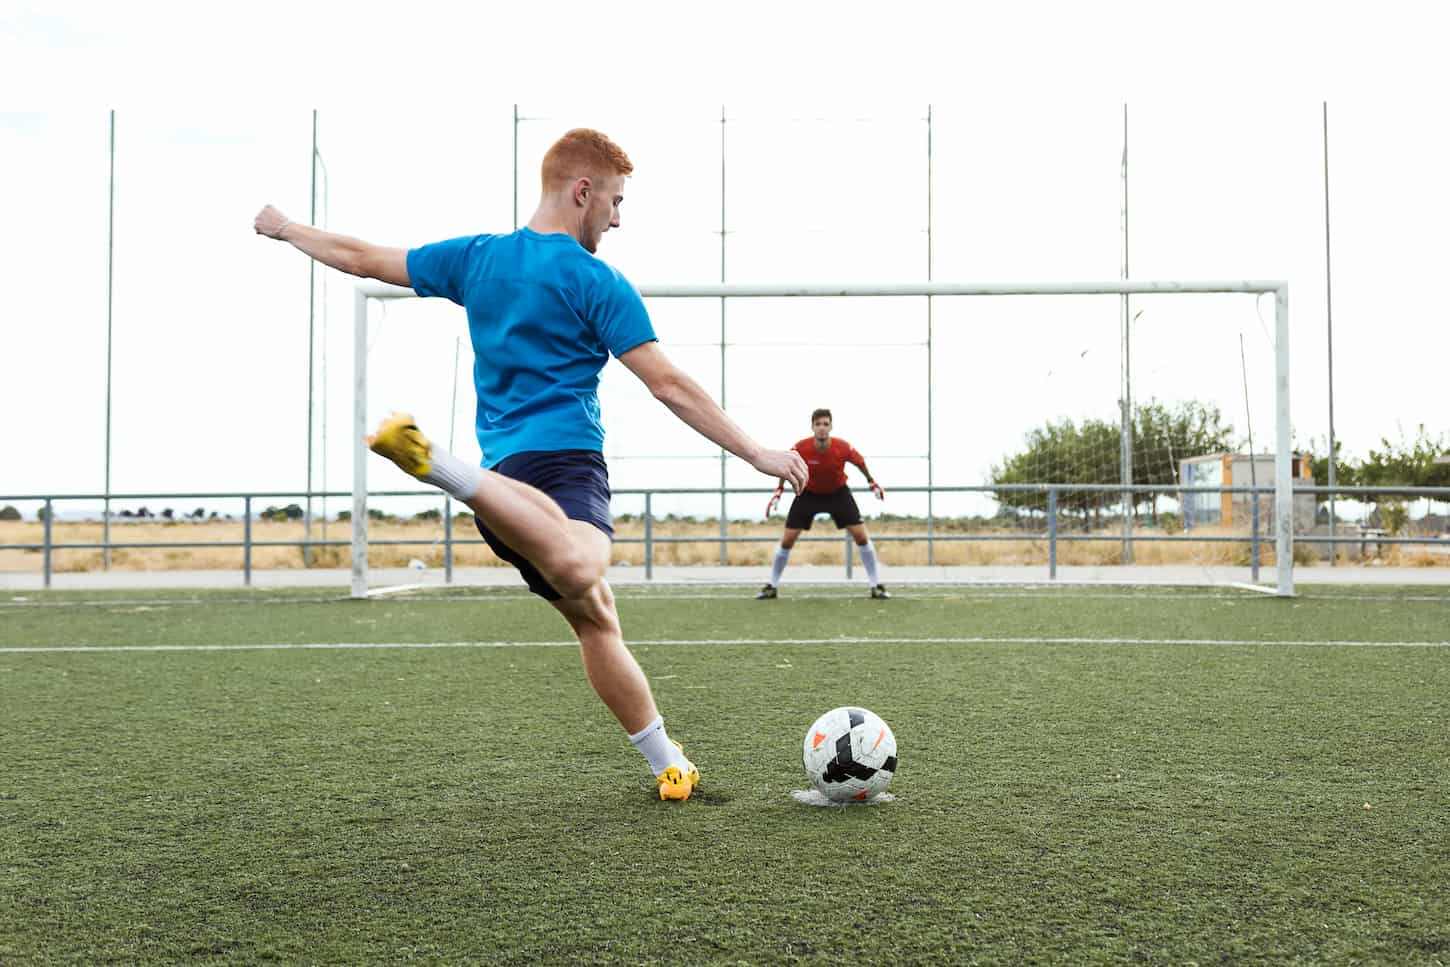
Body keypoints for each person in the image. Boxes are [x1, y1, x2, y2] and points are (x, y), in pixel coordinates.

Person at [254, 128, 807, 801]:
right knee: (583, 566)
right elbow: (667, 383)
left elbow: (364, 257)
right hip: (563, 469)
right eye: (615, 201)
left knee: (595, 615)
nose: (618, 217)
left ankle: (669, 760)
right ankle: (447, 470)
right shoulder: (593, 277)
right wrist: (757, 452)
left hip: (508, 494)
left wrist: (285, 228)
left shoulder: (479, 258)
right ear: (582, 192)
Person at [758, 408, 889, 600]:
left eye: (825, 424)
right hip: (808, 493)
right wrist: (779, 491)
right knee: (787, 540)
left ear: (831, 426)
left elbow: (859, 462)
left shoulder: (842, 447)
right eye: (818, 424)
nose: (821, 428)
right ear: (812, 427)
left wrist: (872, 482)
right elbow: (786, 466)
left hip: (838, 493)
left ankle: (875, 586)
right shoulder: (801, 447)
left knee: (861, 537)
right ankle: (772, 586)